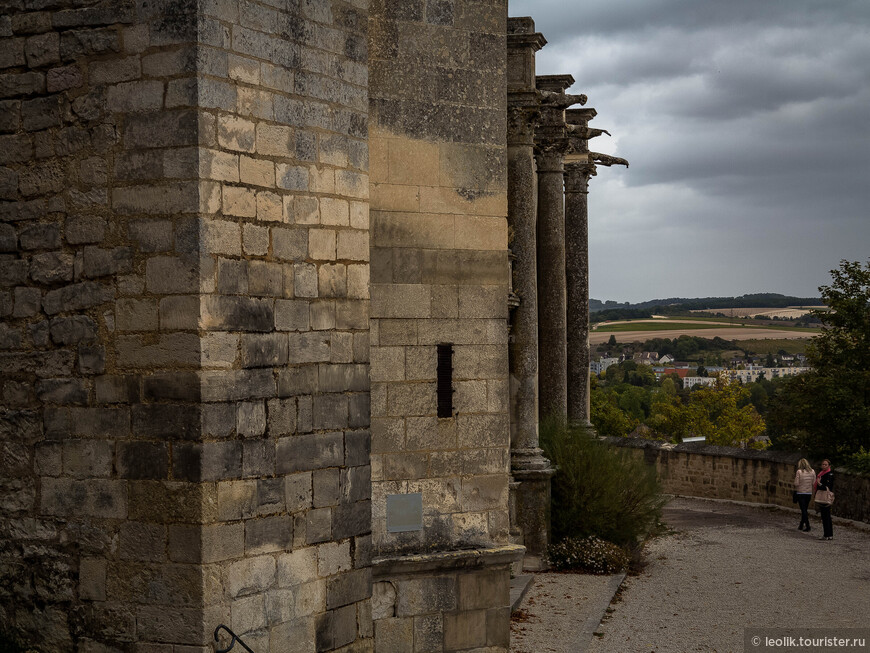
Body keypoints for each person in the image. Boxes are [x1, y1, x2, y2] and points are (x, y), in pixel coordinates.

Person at [814, 459, 834, 540]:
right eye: (823, 464)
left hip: (825, 496)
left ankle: (827, 534)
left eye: (825, 464)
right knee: (825, 516)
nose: (824, 466)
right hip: (822, 496)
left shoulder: (829, 474)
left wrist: (819, 483)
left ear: (829, 466)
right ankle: (828, 534)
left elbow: (828, 486)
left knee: (826, 516)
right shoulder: (821, 474)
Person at [793, 458, 815, 532]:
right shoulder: (812, 471)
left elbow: (796, 483)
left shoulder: (799, 472)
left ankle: (808, 525)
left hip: (800, 492)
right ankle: (801, 524)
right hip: (808, 493)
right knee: (805, 509)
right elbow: (814, 482)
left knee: (803, 510)